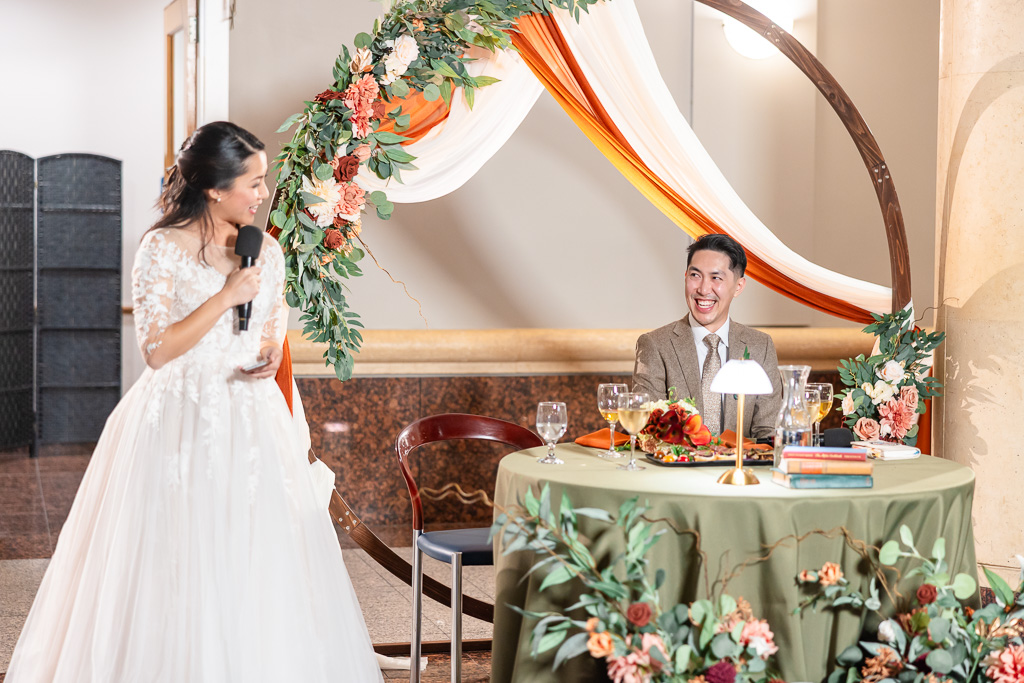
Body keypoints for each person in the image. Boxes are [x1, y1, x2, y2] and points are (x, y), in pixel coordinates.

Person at [5, 122, 385, 682]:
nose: (262, 195)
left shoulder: (268, 253)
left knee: (255, 558)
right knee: (174, 557)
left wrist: (264, 356)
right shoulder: (161, 248)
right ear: (214, 187)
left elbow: (268, 336)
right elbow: (158, 349)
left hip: (251, 422)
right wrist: (225, 296)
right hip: (177, 418)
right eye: (253, 183)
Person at [632, 233, 781, 440]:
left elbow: (768, 433)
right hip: (677, 469)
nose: (703, 289)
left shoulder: (760, 346)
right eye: (695, 275)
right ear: (685, 277)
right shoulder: (655, 345)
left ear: (738, 286)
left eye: (716, 278)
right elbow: (649, 428)